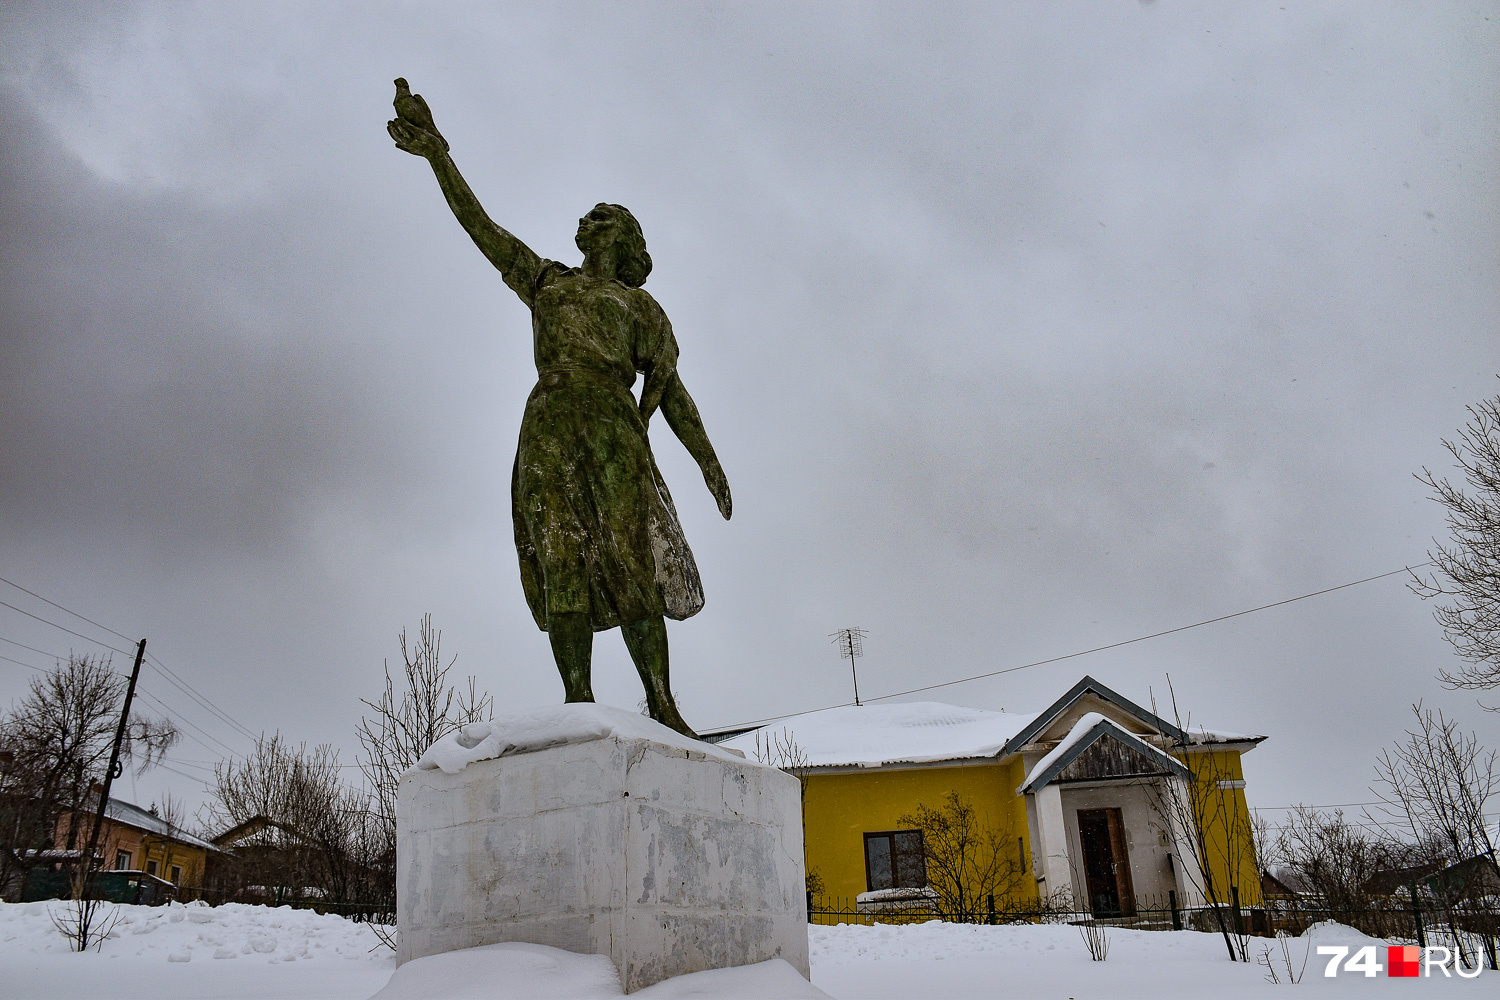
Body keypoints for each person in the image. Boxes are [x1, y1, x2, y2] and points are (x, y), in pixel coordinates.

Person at [388, 82, 730, 738]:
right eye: (592, 208)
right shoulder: (548, 281)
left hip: (611, 425)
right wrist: (439, 156)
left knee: (630, 561)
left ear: (625, 237)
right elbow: (482, 229)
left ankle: (661, 703)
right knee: (561, 559)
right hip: (548, 425)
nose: (592, 213)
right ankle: (578, 701)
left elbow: (674, 391)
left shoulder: (638, 307)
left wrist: (708, 460)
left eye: (607, 212)